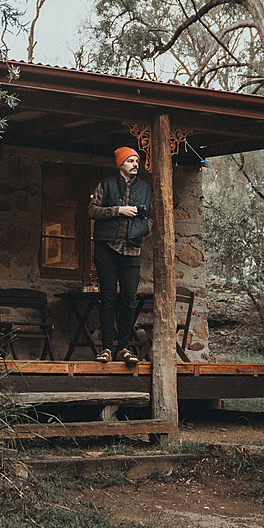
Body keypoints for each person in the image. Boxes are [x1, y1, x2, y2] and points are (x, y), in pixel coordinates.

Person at [88, 146, 153, 365]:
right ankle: (106, 348)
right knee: (108, 299)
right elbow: (92, 211)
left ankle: (124, 348)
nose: (136, 164)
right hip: (106, 248)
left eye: (137, 160)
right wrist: (118, 210)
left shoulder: (146, 188)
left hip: (132, 250)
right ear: (120, 164)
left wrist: (144, 229)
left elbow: (150, 217)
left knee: (129, 300)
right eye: (131, 161)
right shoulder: (106, 185)